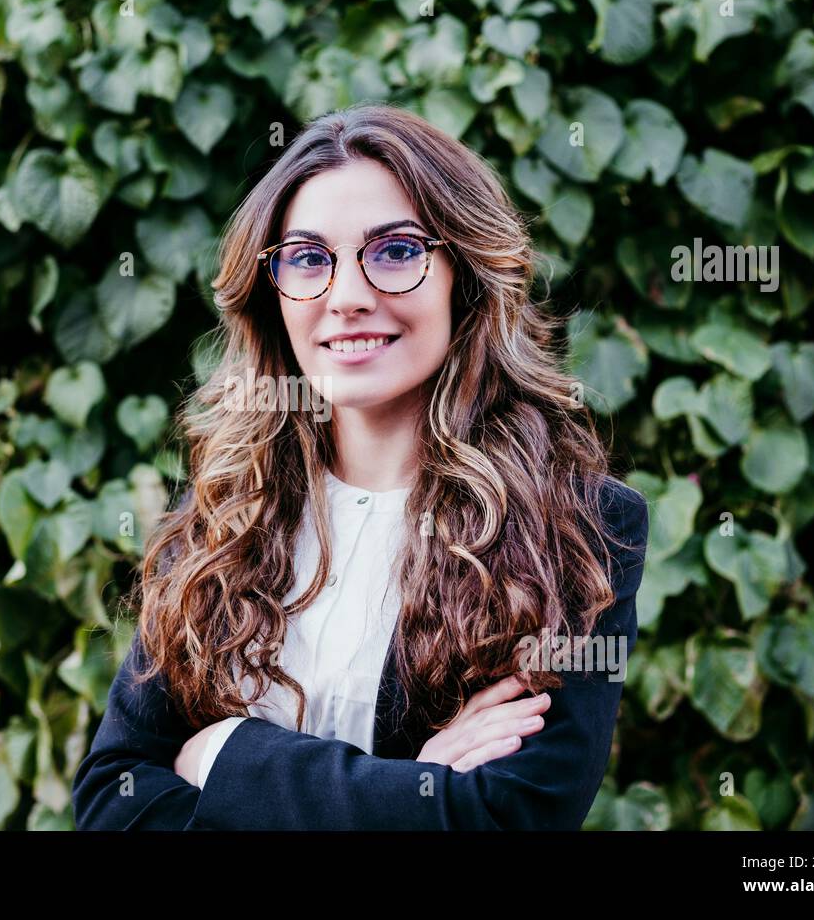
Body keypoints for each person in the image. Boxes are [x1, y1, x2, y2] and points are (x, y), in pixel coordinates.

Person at [71, 102, 649, 830]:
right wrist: (412, 787)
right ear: (273, 291)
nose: (347, 298)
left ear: (463, 278)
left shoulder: (577, 525)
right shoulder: (226, 508)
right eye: (310, 259)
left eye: (396, 251)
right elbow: (112, 798)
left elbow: (505, 818)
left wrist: (224, 755)